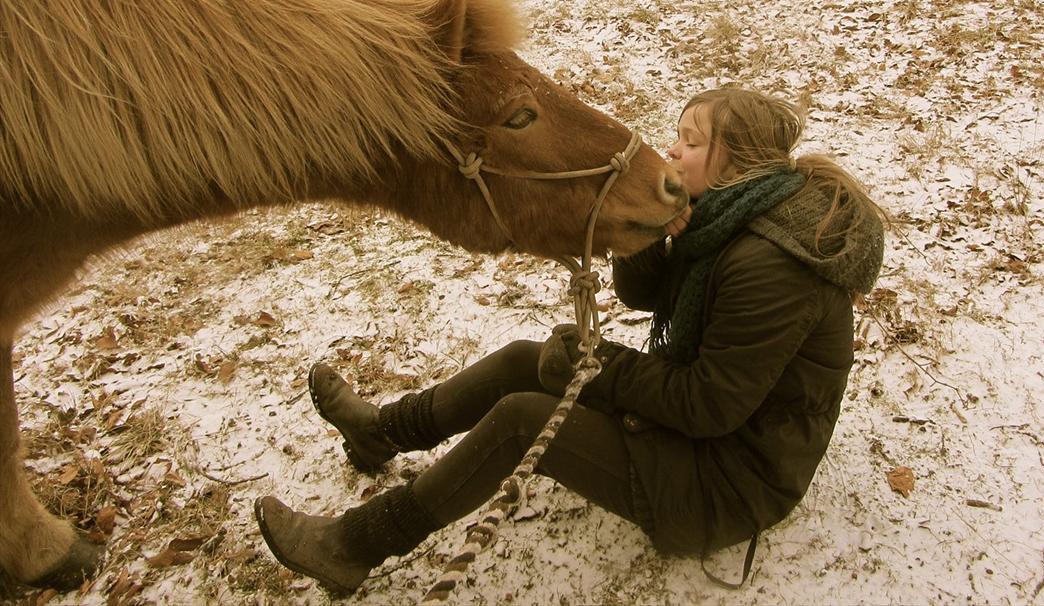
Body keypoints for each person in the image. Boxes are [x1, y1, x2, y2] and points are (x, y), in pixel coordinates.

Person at [253, 87, 886, 596]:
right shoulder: (726, 220)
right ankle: (383, 432)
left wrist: (599, 365)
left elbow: (707, 405)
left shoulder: (770, 265)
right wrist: (650, 224)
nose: (672, 151)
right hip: (705, 438)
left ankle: (354, 546)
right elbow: (645, 296)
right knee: (523, 361)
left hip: (727, 481)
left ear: (738, 164)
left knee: (522, 421)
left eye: (691, 142)